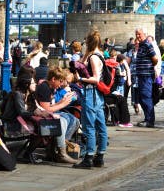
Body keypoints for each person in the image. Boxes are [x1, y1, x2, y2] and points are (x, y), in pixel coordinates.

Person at [74, 30, 108, 169]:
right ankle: (99, 156)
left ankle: (88, 157)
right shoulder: (98, 55)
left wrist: (80, 79)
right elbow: (79, 64)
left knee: (89, 126)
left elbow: (95, 78)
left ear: (89, 42)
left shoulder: (93, 57)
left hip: (91, 93)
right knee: (101, 125)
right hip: (98, 95)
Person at [34, 67, 79, 164]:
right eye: (60, 81)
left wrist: (61, 102)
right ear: (53, 79)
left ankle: (59, 146)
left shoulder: (49, 87)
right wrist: (63, 104)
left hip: (45, 113)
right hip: (40, 117)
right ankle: (61, 153)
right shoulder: (44, 88)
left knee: (75, 120)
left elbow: (49, 106)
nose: (61, 84)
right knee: (62, 121)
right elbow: (46, 110)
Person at [133, 28, 158, 127]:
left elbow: (155, 58)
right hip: (141, 76)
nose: (138, 36)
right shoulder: (141, 45)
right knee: (142, 98)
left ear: (144, 34)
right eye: (136, 34)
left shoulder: (147, 44)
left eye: (139, 34)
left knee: (146, 97)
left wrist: (150, 67)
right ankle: (147, 118)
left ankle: (150, 120)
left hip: (146, 76)